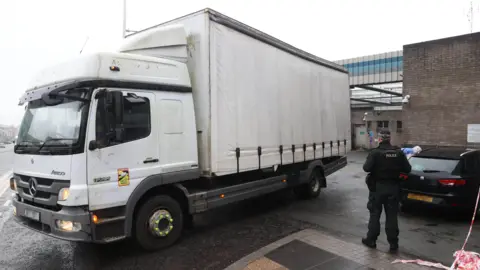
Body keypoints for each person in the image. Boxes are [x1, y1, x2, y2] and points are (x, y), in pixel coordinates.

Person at [361, 129, 411, 252]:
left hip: (377, 189)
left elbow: (366, 168)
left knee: (375, 214)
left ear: (380, 138)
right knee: (392, 216)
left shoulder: (375, 153)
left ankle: (371, 240)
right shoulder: (398, 153)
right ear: (389, 138)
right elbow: (408, 169)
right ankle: (393, 244)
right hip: (393, 188)